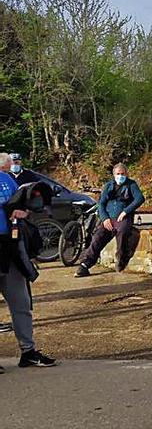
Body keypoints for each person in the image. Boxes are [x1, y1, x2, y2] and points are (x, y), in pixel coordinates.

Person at [0, 152, 56, 371]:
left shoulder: (7, 180)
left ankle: (28, 352)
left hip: (10, 247)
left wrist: (22, 212)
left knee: (21, 303)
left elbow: (21, 204)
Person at [74, 164, 145, 277]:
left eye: (122, 174)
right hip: (109, 217)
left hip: (123, 217)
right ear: (114, 175)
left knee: (123, 233)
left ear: (126, 174)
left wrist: (126, 211)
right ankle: (85, 264)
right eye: (118, 174)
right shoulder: (108, 186)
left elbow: (140, 198)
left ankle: (121, 260)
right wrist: (105, 218)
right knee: (98, 237)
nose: (120, 176)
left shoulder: (131, 185)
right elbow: (101, 204)